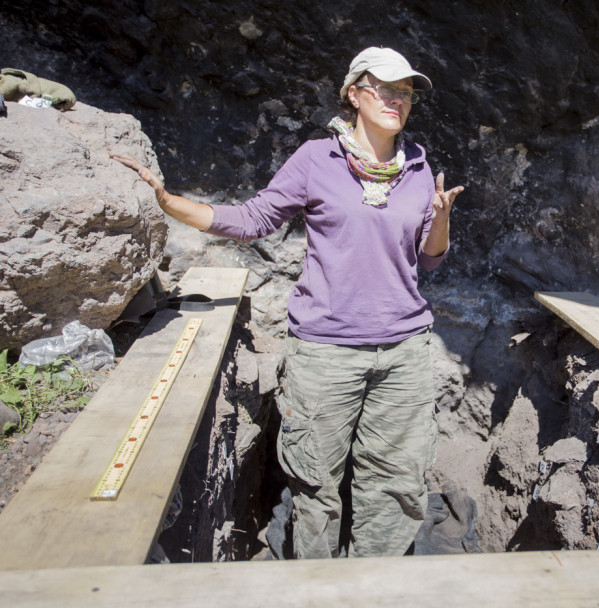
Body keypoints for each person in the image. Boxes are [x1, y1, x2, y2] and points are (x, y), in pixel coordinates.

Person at [112, 47, 463, 559]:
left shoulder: (417, 165)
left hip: (404, 351)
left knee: (396, 486)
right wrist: (170, 204)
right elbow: (254, 219)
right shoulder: (315, 159)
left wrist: (441, 216)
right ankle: (317, 586)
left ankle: (376, 586)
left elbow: (430, 259)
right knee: (316, 484)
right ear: (354, 94)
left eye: (406, 94)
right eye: (385, 89)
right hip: (324, 352)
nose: (397, 101)